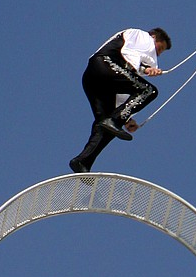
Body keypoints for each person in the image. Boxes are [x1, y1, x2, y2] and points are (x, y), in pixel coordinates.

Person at [69, 27, 171, 174]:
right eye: (159, 49)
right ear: (154, 37)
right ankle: (114, 120)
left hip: (95, 76)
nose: (158, 54)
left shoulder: (133, 53)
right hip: (105, 66)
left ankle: (82, 161)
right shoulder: (142, 37)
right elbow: (130, 53)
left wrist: (127, 119)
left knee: (105, 125)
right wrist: (147, 69)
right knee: (149, 91)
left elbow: (124, 90)